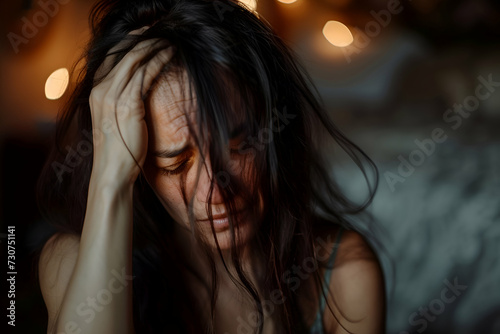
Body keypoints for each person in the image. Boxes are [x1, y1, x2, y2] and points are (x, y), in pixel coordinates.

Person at [36, 0, 386, 333]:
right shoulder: (67, 264)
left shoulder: (343, 273)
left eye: (240, 147)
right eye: (175, 164)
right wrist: (110, 180)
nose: (217, 191)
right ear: (138, 169)